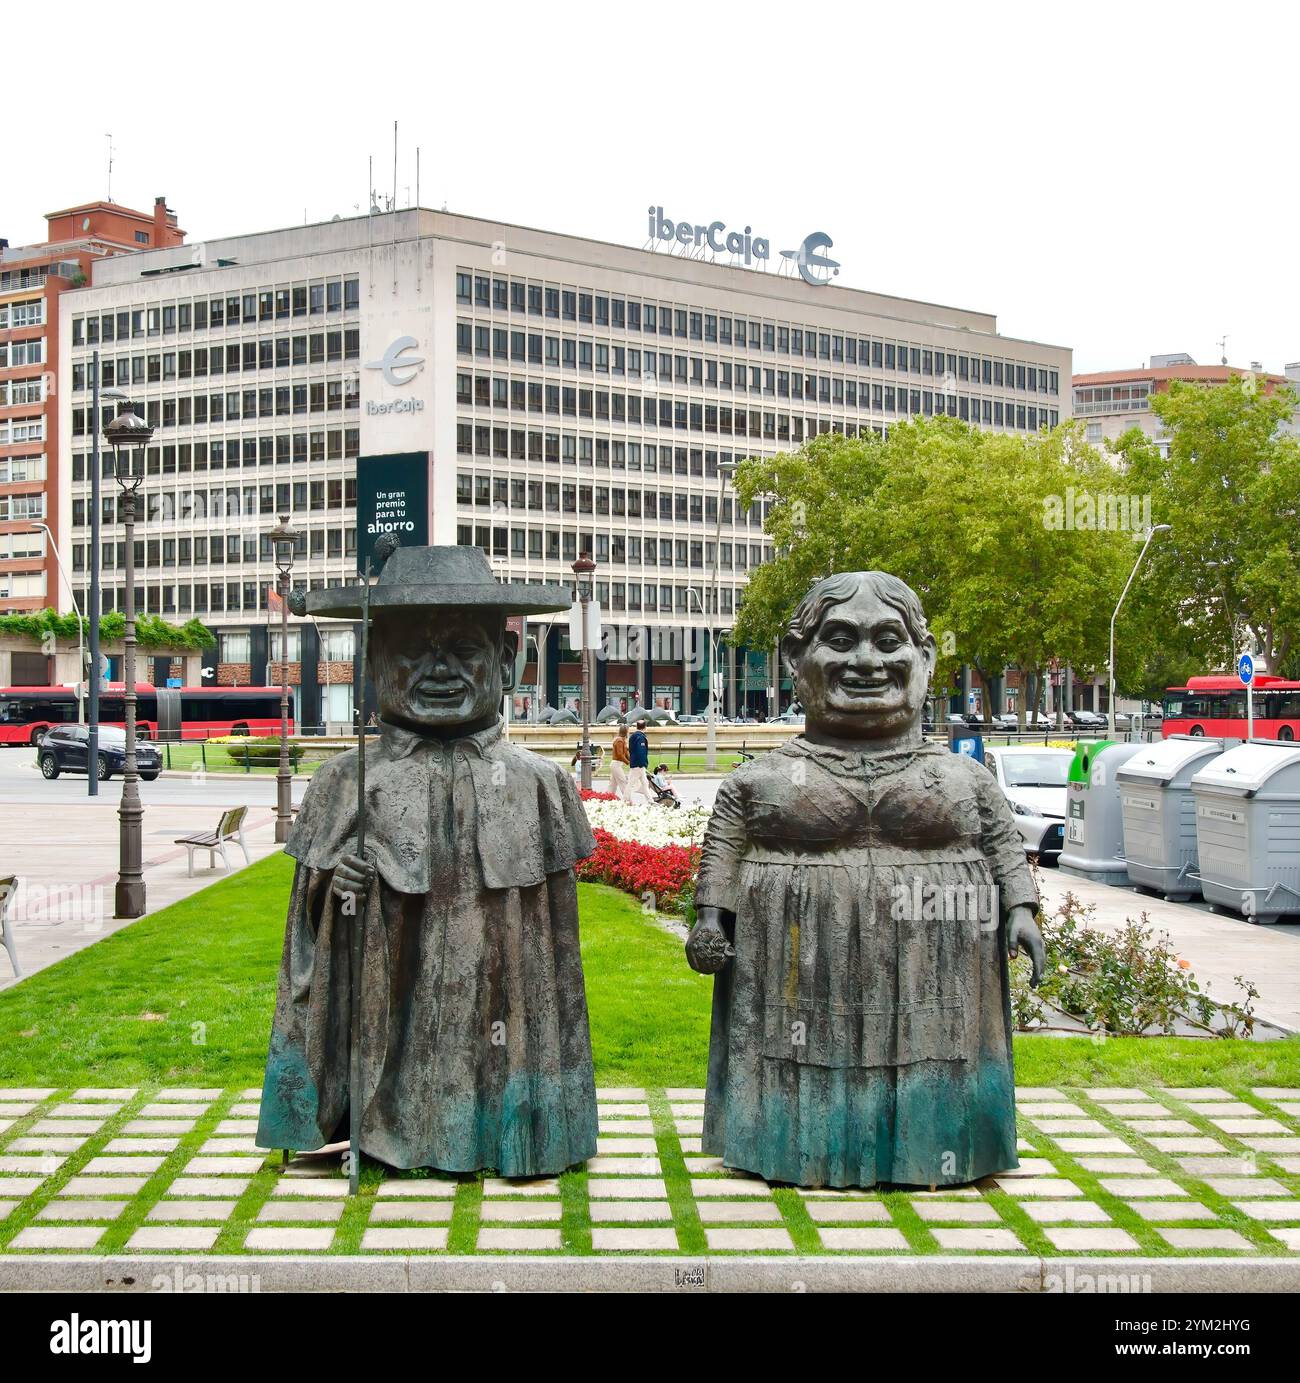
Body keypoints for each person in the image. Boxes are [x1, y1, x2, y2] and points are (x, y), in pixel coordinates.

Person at [685, 569, 1045, 1189]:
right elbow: (724, 849)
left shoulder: (964, 778)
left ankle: (932, 1148)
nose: (866, 661)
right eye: (842, 640)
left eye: (887, 641)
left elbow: (1004, 846)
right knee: (799, 1053)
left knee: (932, 1050)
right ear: (798, 658)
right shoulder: (759, 779)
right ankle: (794, 1146)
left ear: (925, 658)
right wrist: (711, 918)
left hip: (935, 968)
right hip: (800, 972)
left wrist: (1021, 909)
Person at [258, 545, 599, 1178]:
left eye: (464, 651)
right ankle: (378, 1131)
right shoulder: (345, 782)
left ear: (506, 660)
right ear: (375, 663)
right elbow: (305, 942)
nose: (437, 671)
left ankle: (516, 1130)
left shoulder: (541, 785)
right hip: (393, 1011)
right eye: (412, 652)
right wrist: (339, 890)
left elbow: (555, 957)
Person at [627, 718, 651, 803]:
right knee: (631, 783)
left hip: (634, 762)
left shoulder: (633, 736)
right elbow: (641, 752)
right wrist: (643, 763)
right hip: (639, 764)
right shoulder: (641, 737)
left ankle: (650, 800)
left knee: (645, 783)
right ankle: (625, 800)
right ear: (644, 727)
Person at [609, 725, 632, 801]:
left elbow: (626, 753)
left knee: (613, 785)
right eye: (628, 731)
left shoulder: (622, 740)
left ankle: (607, 799)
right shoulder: (619, 741)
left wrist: (632, 760)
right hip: (616, 765)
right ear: (625, 732)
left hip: (616, 764)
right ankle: (628, 801)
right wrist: (628, 762)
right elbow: (620, 754)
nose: (629, 732)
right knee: (623, 782)